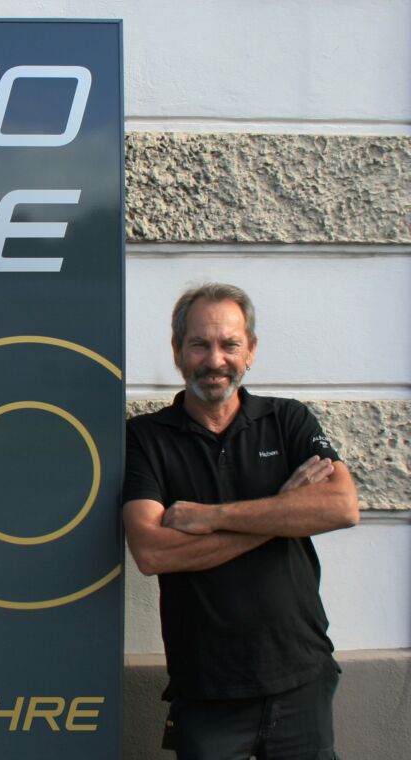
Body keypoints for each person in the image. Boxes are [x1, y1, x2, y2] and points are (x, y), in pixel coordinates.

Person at [122, 282, 359, 760]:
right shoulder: (145, 438)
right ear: (177, 351)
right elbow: (152, 552)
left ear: (250, 350)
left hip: (300, 677)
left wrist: (211, 517)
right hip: (208, 691)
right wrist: (282, 510)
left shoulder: (288, 420)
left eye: (229, 344)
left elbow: (341, 506)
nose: (215, 360)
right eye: (199, 344)